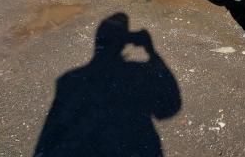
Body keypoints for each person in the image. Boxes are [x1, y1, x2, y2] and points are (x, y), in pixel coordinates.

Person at [34, 13, 181, 157]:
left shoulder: (68, 80)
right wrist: (151, 51)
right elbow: (169, 108)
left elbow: (53, 132)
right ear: (123, 41)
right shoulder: (136, 72)